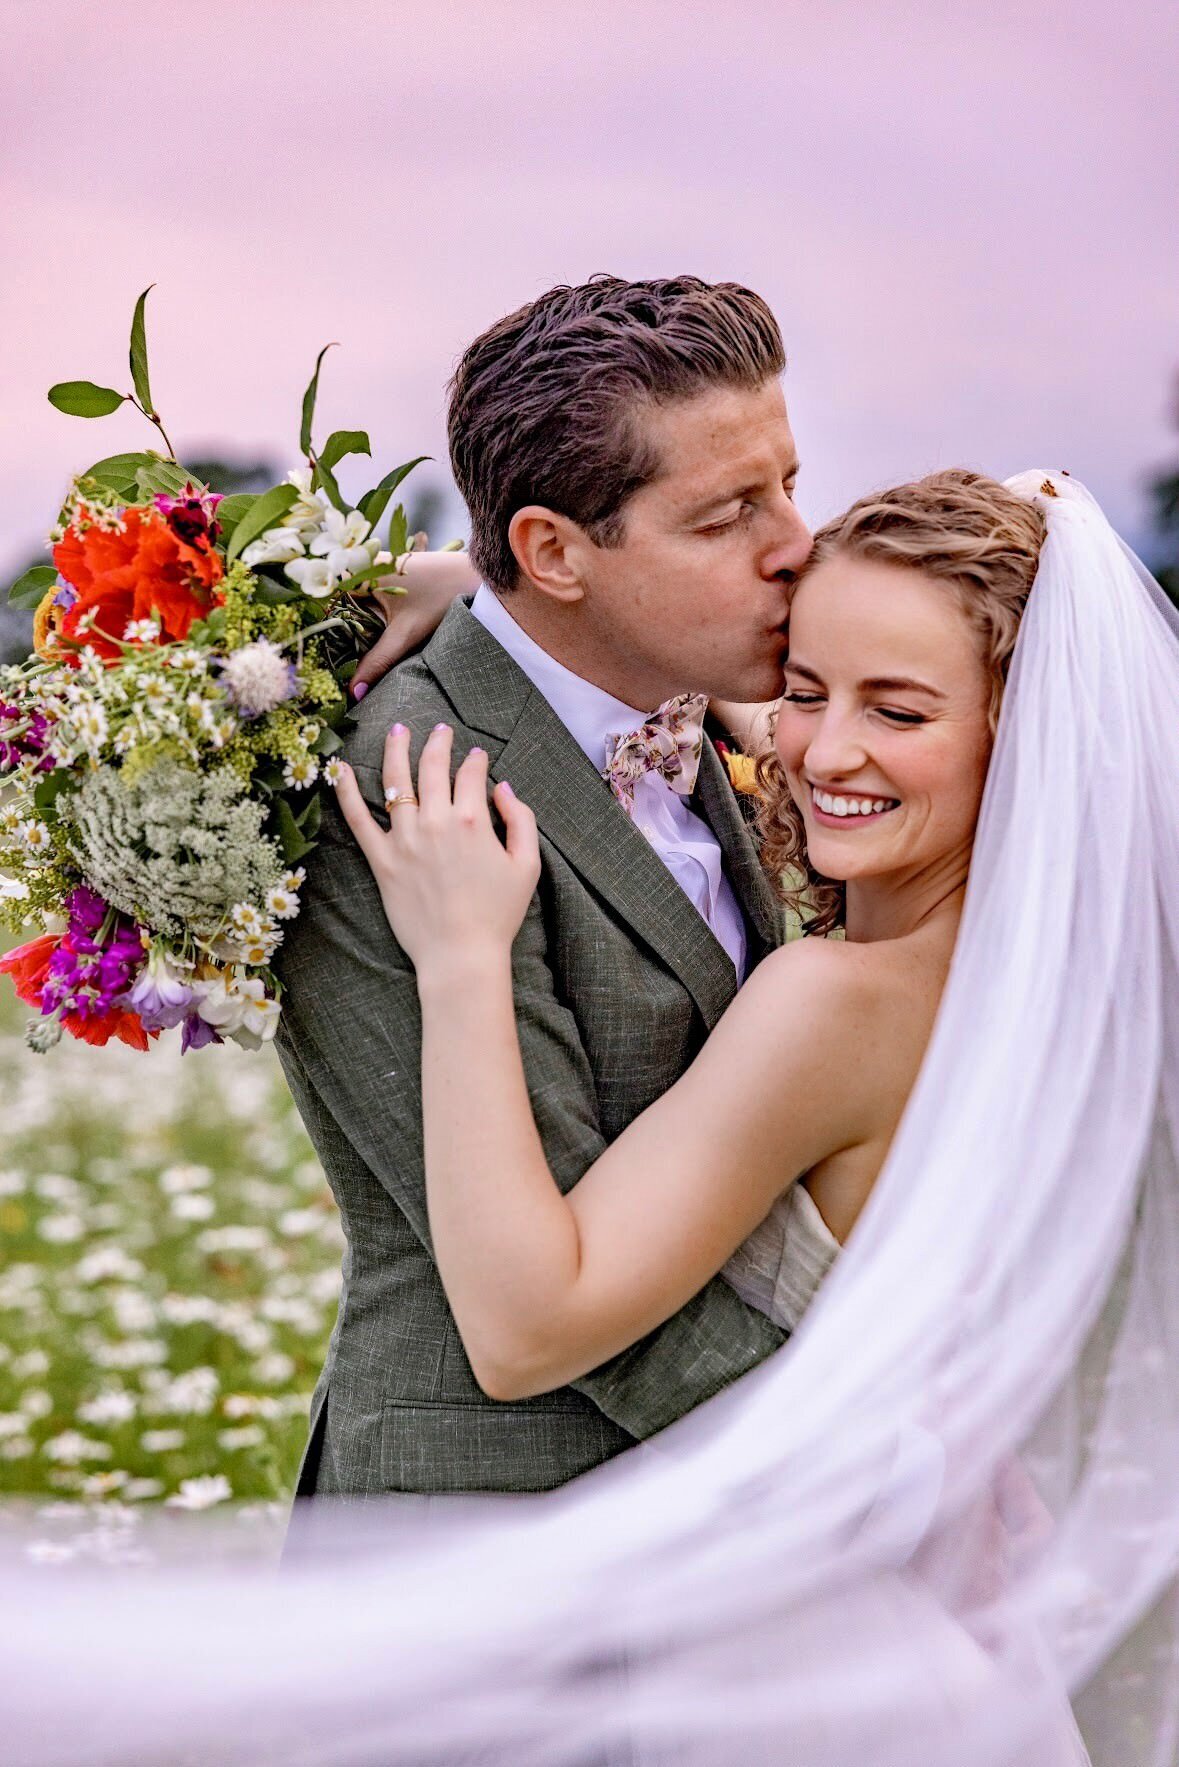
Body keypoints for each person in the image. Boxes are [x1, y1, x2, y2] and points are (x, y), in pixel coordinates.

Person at [273, 276, 814, 1502]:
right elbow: (549, 1280)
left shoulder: (710, 698)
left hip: (710, 1530)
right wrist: (866, 1454)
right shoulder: (400, 790)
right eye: (730, 513)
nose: (796, 544)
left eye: (790, 483)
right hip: (498, 1529)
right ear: (552, 552)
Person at [331, 468, 1039, 1392]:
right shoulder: (1012, 969)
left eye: (897, 711)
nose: (824, 752)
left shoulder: (838, 1001)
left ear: (1025, 729)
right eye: (805, 689)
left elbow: (522, 1339)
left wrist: (464, 957)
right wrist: (496, 587)